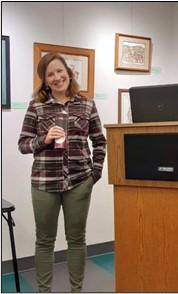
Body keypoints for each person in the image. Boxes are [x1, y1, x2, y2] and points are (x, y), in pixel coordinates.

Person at [18, 53, 106, 292]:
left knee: (77, 240)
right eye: (50, 74)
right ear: (45, 81)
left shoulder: (87, 104)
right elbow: (23, 144)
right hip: (44, 184)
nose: (57, 77)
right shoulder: (36, 106)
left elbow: (100, 142)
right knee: (45, 241)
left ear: (68, 72)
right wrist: (43, 139)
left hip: (79, 183)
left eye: (60, 71)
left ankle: (75, 290)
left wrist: (93, 175)